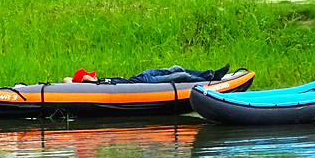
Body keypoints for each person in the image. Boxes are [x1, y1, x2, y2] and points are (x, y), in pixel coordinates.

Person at [62, 65, 231, 84]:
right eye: (91, 75)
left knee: (176, 67)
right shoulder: (94, 86)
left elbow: (68, 79)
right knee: (181, 76)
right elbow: (69, 81)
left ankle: (210, 74)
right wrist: (84, 79)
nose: (95, 76)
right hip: (145, 84)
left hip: (142, 75)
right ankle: (209, 80)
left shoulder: (97, 82)